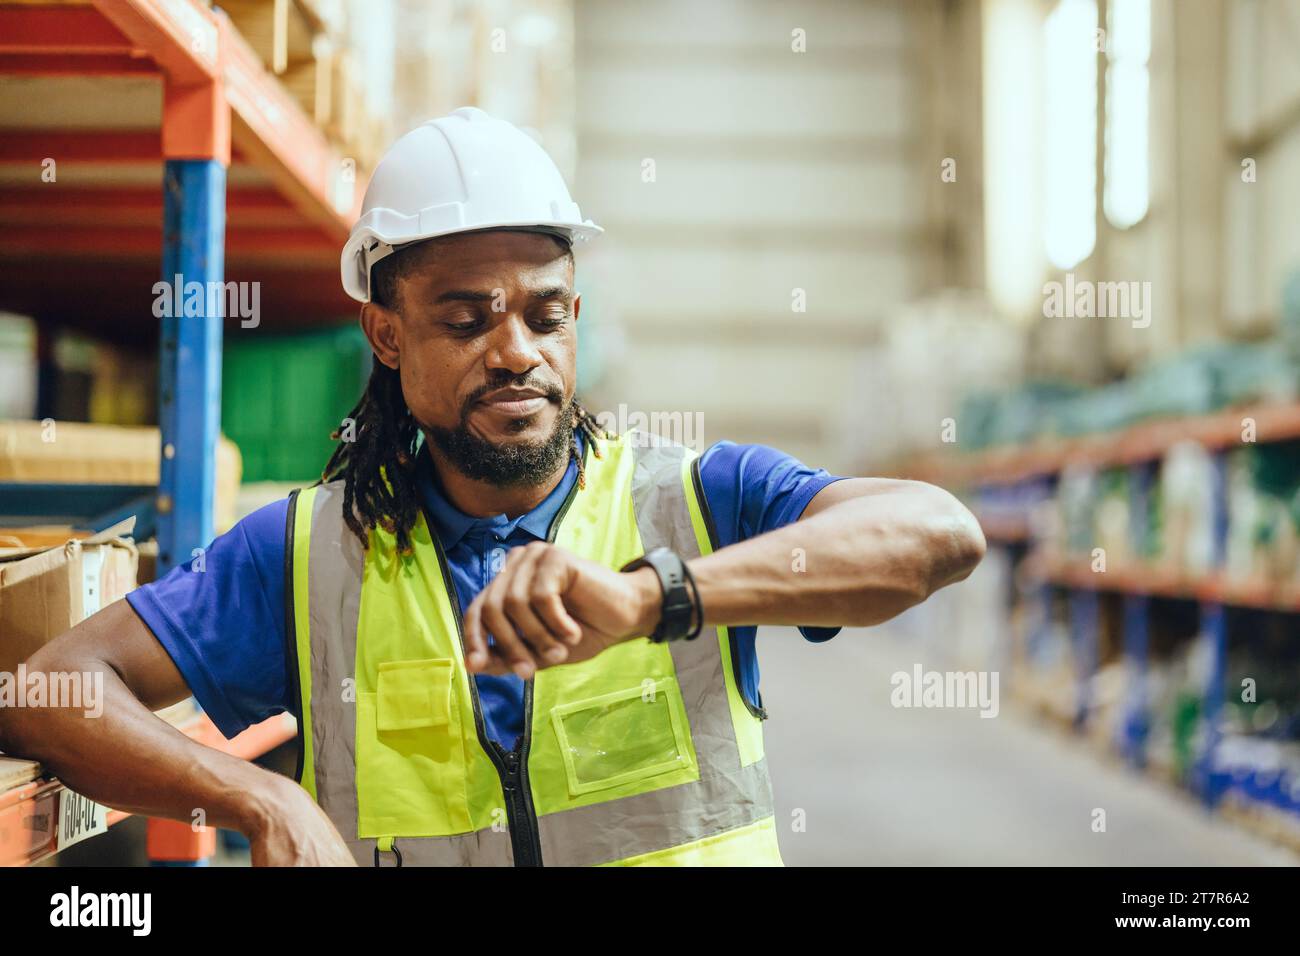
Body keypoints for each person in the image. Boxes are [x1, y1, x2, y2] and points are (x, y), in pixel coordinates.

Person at [0, 108, 985, 866]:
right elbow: (46, 691)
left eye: (545, 316)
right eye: (467, 321)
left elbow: (936, 533)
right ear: (386, 335)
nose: (517, 352)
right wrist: (257, 797)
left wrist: (658, 595)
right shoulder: (305, 556)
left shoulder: (695, 499)